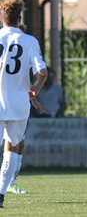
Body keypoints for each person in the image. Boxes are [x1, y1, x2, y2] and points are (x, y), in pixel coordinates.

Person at [0, 0, 47, 208]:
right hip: (19, 105)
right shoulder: (30, 41)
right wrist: (35, 88)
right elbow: (42, 72)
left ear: (1, 18)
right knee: (12, 148)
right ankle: (1, 194)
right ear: (20, 18)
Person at [5, 24, 45, 195]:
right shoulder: (24, 44)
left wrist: (32, 97)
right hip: (11, 103)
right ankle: (6, 184)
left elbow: (18, 77)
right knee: (13, 143)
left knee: (18, 142)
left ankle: (10, 181)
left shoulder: (23, 47)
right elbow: (41, 72)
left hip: (18, 101)